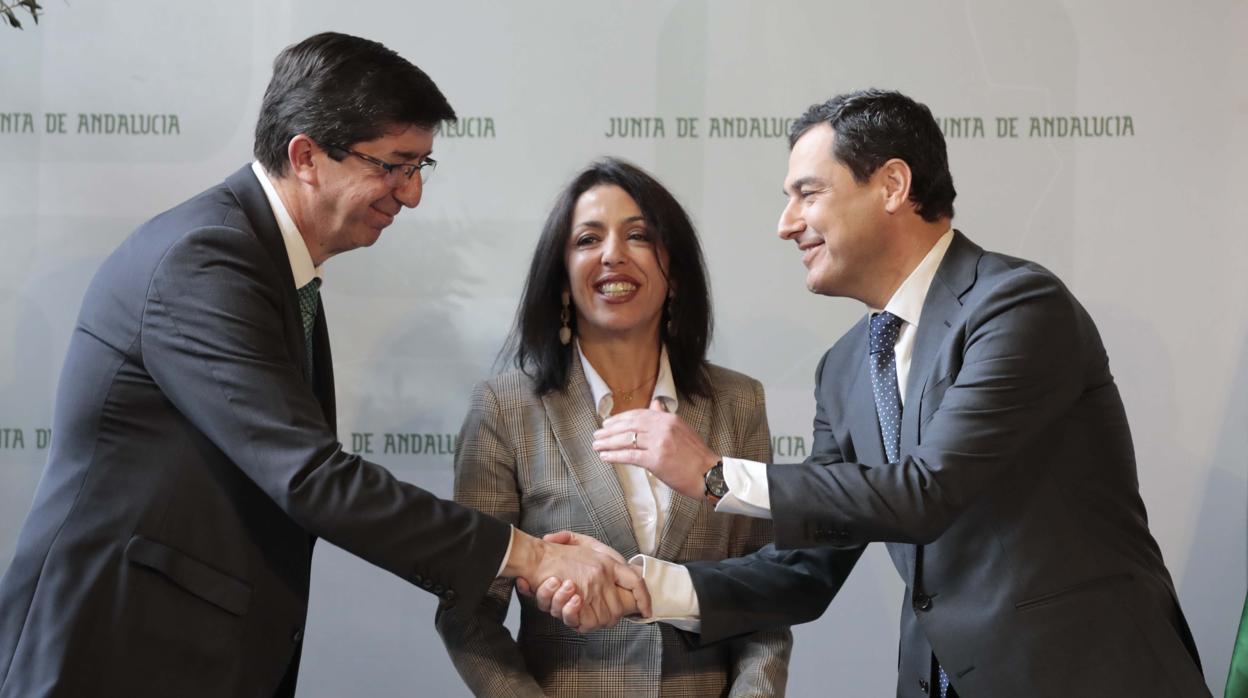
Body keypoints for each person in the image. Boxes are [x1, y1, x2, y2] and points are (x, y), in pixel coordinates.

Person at [0, 32, 642, 698]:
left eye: (422, 166)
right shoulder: (205, 262)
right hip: (117, 655)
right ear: (305, 155)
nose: (413, 194)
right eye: (393, 165)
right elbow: (311, 478)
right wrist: (530, 554)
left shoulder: (272, 264)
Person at [541, 90, 1211, 697]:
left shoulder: (1017, 306)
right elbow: (805, 568)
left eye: (808, 193)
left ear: (892, 184)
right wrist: (641, 587)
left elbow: (926, 493)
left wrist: (715, 476)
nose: (786, 223)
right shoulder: (844, 370)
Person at [436, 158, 792, 696]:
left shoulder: (740, 403)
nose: (612, 255)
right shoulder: (505, 409)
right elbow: (468, 610)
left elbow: (766, 593)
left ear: (674, 272)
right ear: (561, 279)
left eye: (639, 236)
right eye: (587, 239)